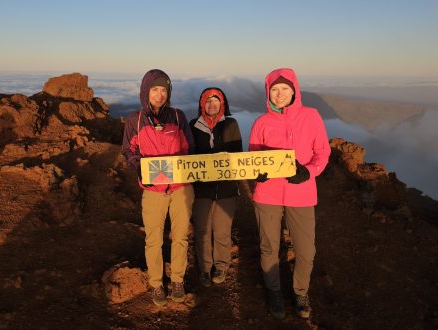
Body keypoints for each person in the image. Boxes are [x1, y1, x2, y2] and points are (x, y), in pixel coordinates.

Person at [248, 68, 330, 319]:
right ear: (268, 93)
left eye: (285, 89)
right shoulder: (262, 122)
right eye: (274, 89)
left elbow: (323, 152)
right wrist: (257, 173)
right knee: (269, 248)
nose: (280, 94)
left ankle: (300, 291)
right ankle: (274, 291)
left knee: (306, 251)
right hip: (267, 194)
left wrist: (309, 172)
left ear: (294, 90)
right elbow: (253, 158)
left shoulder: (311, 116)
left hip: (301, 193)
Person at [121, 69, 195, 307]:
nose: (160, 94)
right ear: (146, 92)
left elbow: (189, 150)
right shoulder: (135, 120)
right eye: (155, 89)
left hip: (181, 188)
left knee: (181, 236)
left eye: (164, 90)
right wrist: (140, 167)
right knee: (154, 239)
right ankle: (156, 283)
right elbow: (129, 151)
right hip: (153, 191)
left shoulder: (178, 116)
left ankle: (177, 280)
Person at [189, 87, 242, 287]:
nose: (212, 105)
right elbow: (189, 155)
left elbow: (237, 155)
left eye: (216, 101)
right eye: (208, 101)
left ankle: (221, 265)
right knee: (202, 229)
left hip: (226, 188)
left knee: (222, 230)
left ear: (223, 104)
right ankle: (204, 268)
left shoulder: (231, 124)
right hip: (201, 188)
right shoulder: (194, 125)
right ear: (202, 104)